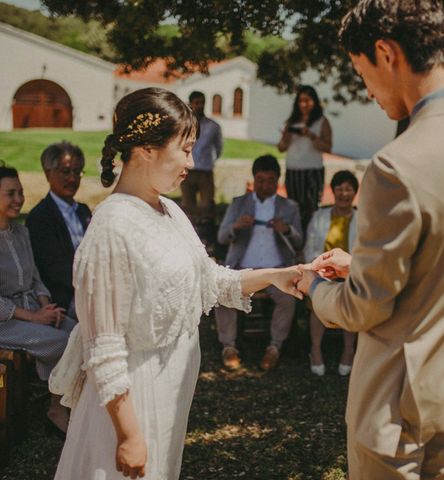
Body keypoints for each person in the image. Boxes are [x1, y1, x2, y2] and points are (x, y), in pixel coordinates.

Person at [298, 1, 444, 479]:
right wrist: (361, 264)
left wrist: (314, 289)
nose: (368, 91)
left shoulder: (395, 167)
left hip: (396, 412)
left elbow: (364, 310)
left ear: (386, 52)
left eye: (362, 74)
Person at [49, 88, 302, 480]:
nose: (192, 161)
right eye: (184, 149)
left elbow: (209, 278)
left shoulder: (168, 209)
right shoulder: (112, 227)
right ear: (148, 148)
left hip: (171, 391)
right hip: (136, 399)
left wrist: (276, 277)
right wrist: (129, 435)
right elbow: (105, 347)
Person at [0, 162, 75, 435]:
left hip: (33, 309)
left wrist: (47, 307)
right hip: (5, 322)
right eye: (11, 193)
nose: (19, 199)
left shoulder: (21, 231)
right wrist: (34, 317)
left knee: (80, 333)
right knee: (63, 342)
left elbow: (35, 278)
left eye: (20, 192)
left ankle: (69, 402)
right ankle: (56, 408)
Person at [215, 154, 303, 372]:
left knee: (287, 299)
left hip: (277, 269)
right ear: (253, 180)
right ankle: (228, 346)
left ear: (278, 181)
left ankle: (274, 346)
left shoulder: (289, 207)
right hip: (243, 268)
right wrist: (236, 226)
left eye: (270, 180)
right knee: (224, 293)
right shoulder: (239, 203)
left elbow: (299, 241)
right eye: (260, 180)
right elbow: (221, 237)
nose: (265, 186)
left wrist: (288, 230)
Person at [26, 142, 91, 319]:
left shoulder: (83, 211)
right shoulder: (40, 218)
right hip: (65, 301)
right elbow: (55, 271)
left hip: (93, 291)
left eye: (77, 172)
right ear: (48, 174)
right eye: (65, 172)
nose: (72, 179)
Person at [303, 170, 358, 377]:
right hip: (323, 270)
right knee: (317, 297)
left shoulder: (362, 219)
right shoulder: (320, 216)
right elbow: (310, 246)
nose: (344, 193)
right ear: (333, 191)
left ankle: (349, 349)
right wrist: (320, 269)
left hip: (349, 273)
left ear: (354, 193)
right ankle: (315, 349)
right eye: (340, 189)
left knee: (352, 299)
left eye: (348, 189)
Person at [277, 85, 332, 230]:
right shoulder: (291, 121)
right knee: (294, 209)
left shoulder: (322, 121)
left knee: (311, 209)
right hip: (293, 170)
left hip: (312, 170)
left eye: (307, 100)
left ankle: (311, 242)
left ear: (314, 101)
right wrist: (285, 138)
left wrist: (311, 136)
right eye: (301, 101)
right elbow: (281, 148)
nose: (304, 104)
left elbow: (328, 147)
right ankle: (296, 240)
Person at [180, 90, 223, 223]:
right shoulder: (184, 124)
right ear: (191, 104)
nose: (200, 106)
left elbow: (218, 147)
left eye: (202, 103)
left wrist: (211, 162)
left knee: (206, 206)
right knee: (188, 206)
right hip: (187, 171)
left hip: (205, 171)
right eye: (197, 103)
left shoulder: (213, 126)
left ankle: (205, 233)